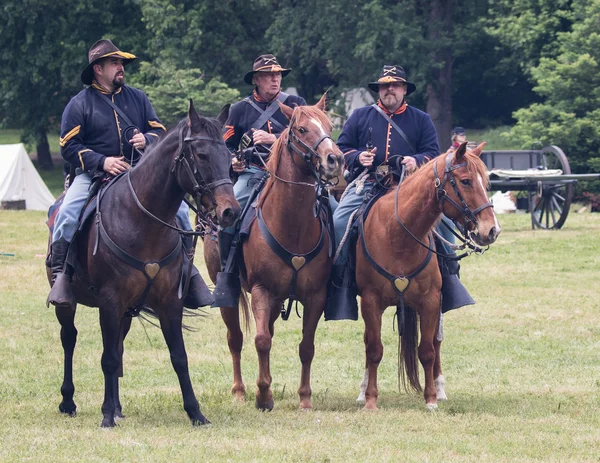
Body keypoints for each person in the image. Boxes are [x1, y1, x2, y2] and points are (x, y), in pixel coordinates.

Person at [47, 39, 210, 310]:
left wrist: (146, 140)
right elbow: (68, 146)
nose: (121, 67)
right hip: (94, 176)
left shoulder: (138, 98)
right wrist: (103, 161)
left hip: (138, 173)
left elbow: (159, 132)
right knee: (66, 215)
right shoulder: (79, 104)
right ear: (98, 69)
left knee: (181, 212)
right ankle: (61, 276)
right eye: (114, 63)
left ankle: (187, 275)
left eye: (121, 62)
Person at [326, 64, 473, 320]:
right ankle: (341, 284)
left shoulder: (421, 119)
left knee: (445, 223)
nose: (389, 89)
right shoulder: (360, 116)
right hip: (369, 184)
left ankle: (449, 279)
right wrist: (360, 156)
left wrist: (415, 160)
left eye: (394, 85)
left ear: (404, 89)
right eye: (384, 86)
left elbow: (431, 153)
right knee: (339, 222)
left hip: (412, 188)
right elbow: (342, 148)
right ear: (379, 90)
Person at [212, 54, 308, 306]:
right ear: (256, 80)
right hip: (253, 173)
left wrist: (273, 140)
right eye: (268, 75)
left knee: (329, 209)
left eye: (278, 75)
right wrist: (234, 162)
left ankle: (332, 276)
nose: (275, 79)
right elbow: (225, 147)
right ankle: (228, 275)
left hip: (292, 176)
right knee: (230, 215)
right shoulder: (239, 109)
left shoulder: (296, 104)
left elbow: (307, 138)